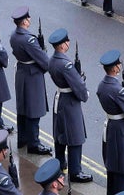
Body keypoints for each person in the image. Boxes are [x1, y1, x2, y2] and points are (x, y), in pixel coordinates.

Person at [46, 29, 92, 183]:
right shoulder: (65, 64)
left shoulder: (53, 60)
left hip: (59, 98)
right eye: (67, 42)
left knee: (60, 135)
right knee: (75, 136)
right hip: (69, 101)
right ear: (63, 45)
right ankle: (75, 171)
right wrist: (83, 88)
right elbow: (79, 87)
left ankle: (59, 165)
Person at [96, 49, 124, 195]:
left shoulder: (102, 86)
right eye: (118, 64)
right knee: (122, 173)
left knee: (112, 173)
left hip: (110, 128)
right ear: (115, 68)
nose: (120, 66)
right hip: (121, 131)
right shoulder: (118, 90)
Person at [9, 7, 52, 153]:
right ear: (25, 21)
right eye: (28, 18)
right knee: (34, 110)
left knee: (23, 109)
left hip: (22, 72)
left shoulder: (14, 36)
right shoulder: (29, 39)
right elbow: (45, 62)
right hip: (32, 75)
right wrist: (42, 48)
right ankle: (34, 143)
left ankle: (22, 139)